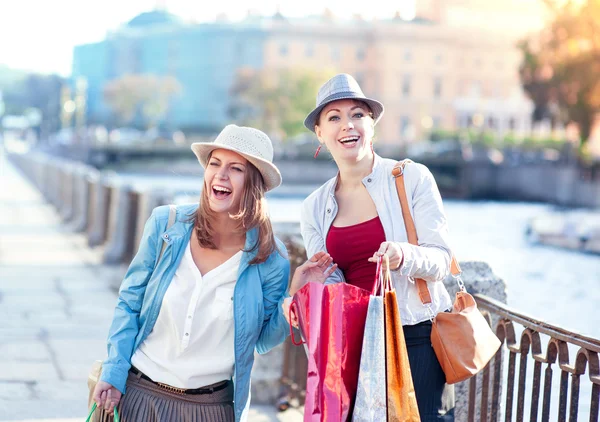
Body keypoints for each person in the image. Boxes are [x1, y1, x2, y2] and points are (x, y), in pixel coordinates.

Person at [92, 124, 336, 422]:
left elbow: (261, 340)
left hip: (211, 409)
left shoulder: (271, 257)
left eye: (235, 168)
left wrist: (295, 296)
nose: (220, 175)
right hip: (139, 397)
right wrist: (114, 371)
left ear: (254, 184)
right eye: (214, 164)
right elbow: (130, 302)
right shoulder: (167, 225)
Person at [293, 74, 455, 421]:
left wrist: (402, 255)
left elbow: (442, 260)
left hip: (414, 335)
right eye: (333, 117)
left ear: (372, 125)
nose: (347, 125)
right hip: (352, 342)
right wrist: (308, 284)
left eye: (357, 115)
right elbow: (332, 285)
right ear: (320, 133)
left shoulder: (411, 178)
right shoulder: (313, 207)